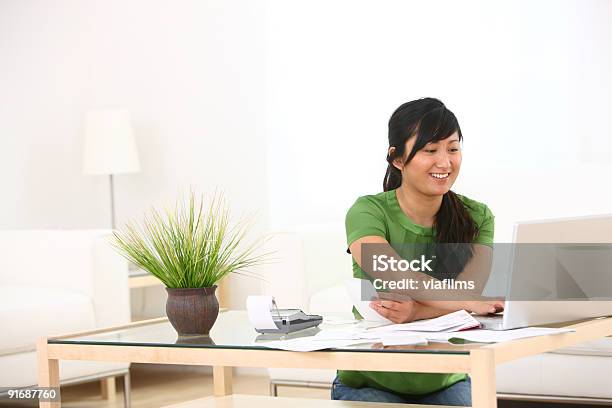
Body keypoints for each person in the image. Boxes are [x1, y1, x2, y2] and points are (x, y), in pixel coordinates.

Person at [331, 98, 504, 406]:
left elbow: (470, 292)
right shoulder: (367, 212)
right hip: (369, 380)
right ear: (397, 159)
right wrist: (467, 303)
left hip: (447, 379)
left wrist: (416, 312)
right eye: (430, 150)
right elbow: (399, 277)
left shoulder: (478, 216)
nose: (445, 162)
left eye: (452, 148)